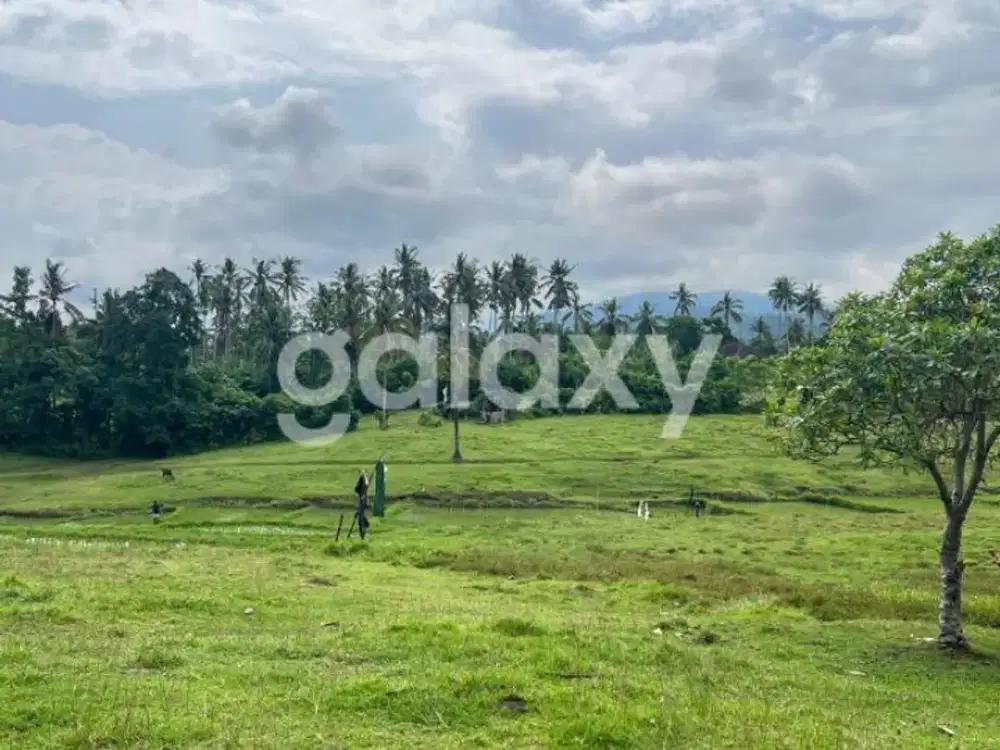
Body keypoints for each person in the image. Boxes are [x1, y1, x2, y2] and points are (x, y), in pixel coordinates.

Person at [354, 470, 370, 537]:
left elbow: (357, 489)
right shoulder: (364, 481)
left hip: (362, 500)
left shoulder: (363, 481)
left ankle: (364, 527)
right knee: (360, 516)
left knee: (360, 517)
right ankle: (365, 526)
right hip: (363, 499)